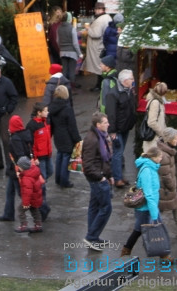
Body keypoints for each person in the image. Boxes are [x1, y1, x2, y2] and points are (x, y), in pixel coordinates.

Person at [120, 145, 168, 260]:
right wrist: (154, 212)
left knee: (154, 229)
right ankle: (126, 252)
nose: (161, 159)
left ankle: (164, 255)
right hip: (145, 208)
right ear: (154, 157)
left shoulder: (152, 168)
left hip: (150, 207)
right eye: (160, 157)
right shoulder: (147, 170)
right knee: (140, 230)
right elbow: (148, 193)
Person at [81, 112, 114, 251]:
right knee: (106, 208)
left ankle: (93, 236)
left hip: (100, 176)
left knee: (94, 206)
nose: (108, 124)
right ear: (98, 124)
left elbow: (104, 159)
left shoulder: (101, 136)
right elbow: (88, 164)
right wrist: (101, 177)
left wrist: (109, 174)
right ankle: (91, 237)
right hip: (97, 179)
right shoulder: (92, 139)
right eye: (105, 122)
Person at [0, 114, 33, 223]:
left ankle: (42, 210)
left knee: (22, 194)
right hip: (17, 169)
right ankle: (8, 214)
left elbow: (19, 155)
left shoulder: (15, 139)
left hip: (17, 170)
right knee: (10, 192)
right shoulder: (25, 134)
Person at [47, 85, 80, 188]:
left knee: (60, 156)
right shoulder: (67, 108)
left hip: (57, 136)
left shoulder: (51, 107)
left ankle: (58, 179)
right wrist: (77, 139)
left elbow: (51, 123)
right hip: (67, 137)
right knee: (66, 158)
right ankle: (64, 180)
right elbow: (72, 126)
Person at [83, 3, 112, 91]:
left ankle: (100, 86)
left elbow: (96, 34)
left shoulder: (100, 20)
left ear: (100, 10)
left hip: (97, 47)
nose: (95, 11)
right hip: (103, 45)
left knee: (99, 68)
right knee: (101, 67)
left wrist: (88, 29)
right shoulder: (108, 17)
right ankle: (100, 85)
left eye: (96, 9)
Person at [14, 155, 46, 234]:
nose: (18, 168)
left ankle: (23, 225)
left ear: (23, 167)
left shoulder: (26, 178)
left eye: (19, 167)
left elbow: (27, 192)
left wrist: (25, 203)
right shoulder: (33, 171)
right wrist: (21, 174)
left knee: (20, 210)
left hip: (30, 198)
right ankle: (38, 225)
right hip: (36, 197)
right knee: (35, 210)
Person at [27, 102, 53, 182]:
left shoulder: (47, 121)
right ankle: (41, 189)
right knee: (43, 175)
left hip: (48, 153)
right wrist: (34, 158)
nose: (47, 112)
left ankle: (41, 184)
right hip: (39, 156)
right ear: (39, 112)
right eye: (45, 111)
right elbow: (29, 143)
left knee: (50, 171)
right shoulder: (32, 125)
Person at [57, 11, 82, 89]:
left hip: (62, 52)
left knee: (64, 70)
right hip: (72, 53)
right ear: (69, 19)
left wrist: (61, 48)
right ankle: (71, 87)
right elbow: (75, 43)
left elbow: (57, 40)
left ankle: (64, 88)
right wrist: (79, 53)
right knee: (71, 71)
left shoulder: (59, 28)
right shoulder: (72, 28)